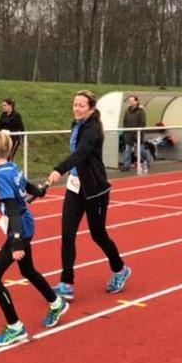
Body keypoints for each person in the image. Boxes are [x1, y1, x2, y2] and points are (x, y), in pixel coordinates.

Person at [0, 131, 68, 346]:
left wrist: (16, 242)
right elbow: (25, 185)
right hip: (25, 223)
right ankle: (56, 302)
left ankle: (15, 327)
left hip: (19, 226)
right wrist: (37, 190)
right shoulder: (12, 167)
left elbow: (12, 208)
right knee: (27, 270)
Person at [47, 90, 132, 300]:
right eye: (75, 104)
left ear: (91, 109)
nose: (77, 108)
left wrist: (60, 169)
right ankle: (66, 283)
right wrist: (69, 172)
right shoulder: (76, 125)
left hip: (95, 190)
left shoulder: (93, 129)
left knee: (98, 234)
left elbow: (81, 153)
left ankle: (120, 269)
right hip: (75, 187)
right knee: (67, 235)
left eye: (81, 105)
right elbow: (76, 155)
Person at [120, 95, 151, 174]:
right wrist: (126, 131)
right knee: (127, 150)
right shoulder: (127, 111)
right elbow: (124, 121)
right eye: (129, 101)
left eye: (132, 100)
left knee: (141, 150)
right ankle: (126, 166)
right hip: (129, 134)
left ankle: (148, 160)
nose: (130, 102)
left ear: (136, 101)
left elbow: (143, 123)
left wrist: (137, 131)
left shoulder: (141, 111)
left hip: (138, 134)